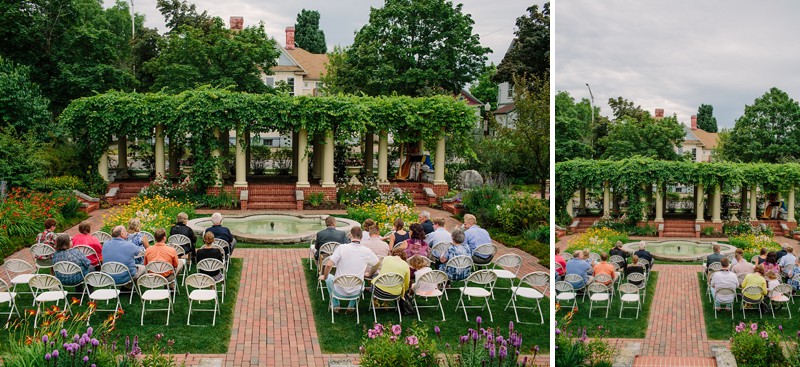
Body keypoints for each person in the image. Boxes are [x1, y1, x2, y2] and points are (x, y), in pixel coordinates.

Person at [319, 227, 380, 310]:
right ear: (361, 237)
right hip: (356, 291)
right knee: (360, 279)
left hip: (339, 290)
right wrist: (370, 274)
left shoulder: (342, 248)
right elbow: (377, 263)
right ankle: (351, 306)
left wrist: (325, 276)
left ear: (350, 235)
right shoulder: (366, 251)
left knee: (329, 278)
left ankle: (336, 305)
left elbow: (329, 265)